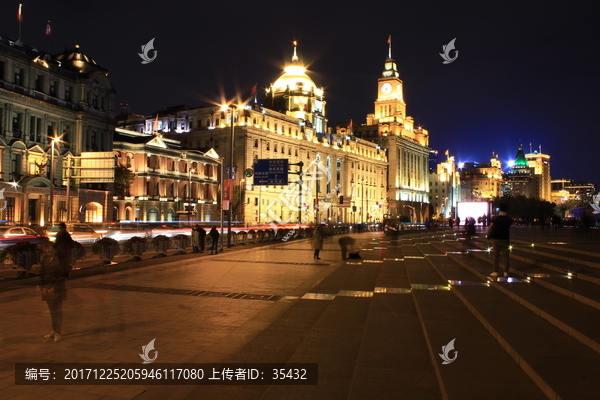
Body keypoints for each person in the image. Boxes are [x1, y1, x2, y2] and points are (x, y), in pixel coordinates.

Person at [39, 242, 68, 342]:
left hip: (57, 289)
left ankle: (58, 332)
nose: (48, 250)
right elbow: (41, 274)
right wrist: (42, 287)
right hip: (47, 289)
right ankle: (53, 330)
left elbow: (63, 275)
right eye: (46, 249)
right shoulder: (45, 259)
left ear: (55, 249)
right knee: (52, 311)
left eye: (50, 248)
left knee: (57, 311)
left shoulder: (60, 260)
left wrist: (54, 288)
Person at [487, 203, 512, 279]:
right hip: (505, 239)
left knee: (495, 256)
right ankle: (506, 272)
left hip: (496, 239)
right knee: (506, 256)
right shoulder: (508, 219)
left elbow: (493, 227)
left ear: (500, 210)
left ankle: (495, 271)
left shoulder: (497, 219)